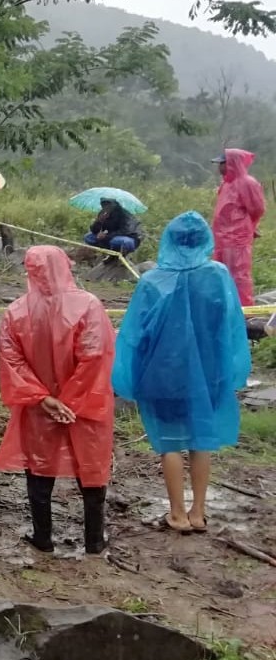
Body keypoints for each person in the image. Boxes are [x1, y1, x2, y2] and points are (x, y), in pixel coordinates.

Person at [113, 212, 250, 533]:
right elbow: (232, 326)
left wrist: (127, 375)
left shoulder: (152, 280)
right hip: (209, 370)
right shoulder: (218, 275)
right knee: (201, 439)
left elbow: (135, 334)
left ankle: (177, 513)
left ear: (169, 240)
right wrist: (231, 367)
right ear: (205, 239)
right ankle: (198, 511)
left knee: (170, 442)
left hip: (164, 375)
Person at [0, 246, 115, 555]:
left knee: (39, 467)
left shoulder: (16, 312)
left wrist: (45, 399)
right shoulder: (88, 305)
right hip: (86, 404)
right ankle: (94, 539)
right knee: (91, 466)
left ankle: (43, 537)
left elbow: (12, 359)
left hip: (40, 408)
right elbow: (95, 355)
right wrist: (70, 401)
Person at [211, 148, 265, 306]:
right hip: (221, 238)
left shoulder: (248, 183)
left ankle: (244, 309)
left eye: (222, 163)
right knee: (220, 272)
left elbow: (257, 209)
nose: (219, 167)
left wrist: (249, 227)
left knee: (239, 274)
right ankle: (225, 305)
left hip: (237, 238)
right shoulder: (226, 184)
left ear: (232, 163)